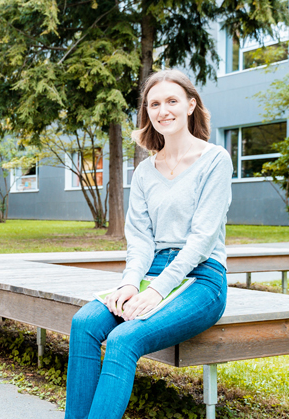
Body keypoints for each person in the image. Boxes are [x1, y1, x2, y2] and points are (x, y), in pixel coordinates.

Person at [64, 69, 233, 419]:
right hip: (151, 271)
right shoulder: (143, 171)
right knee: (84, 324)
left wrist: (156, 291)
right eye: (154, 104)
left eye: (172, 101)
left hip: (202, 279)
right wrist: (129, 284)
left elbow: (202, 240)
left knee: (125, 339)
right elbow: (140, 240)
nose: (163, 110)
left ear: (191, 104)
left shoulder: (215, 159)